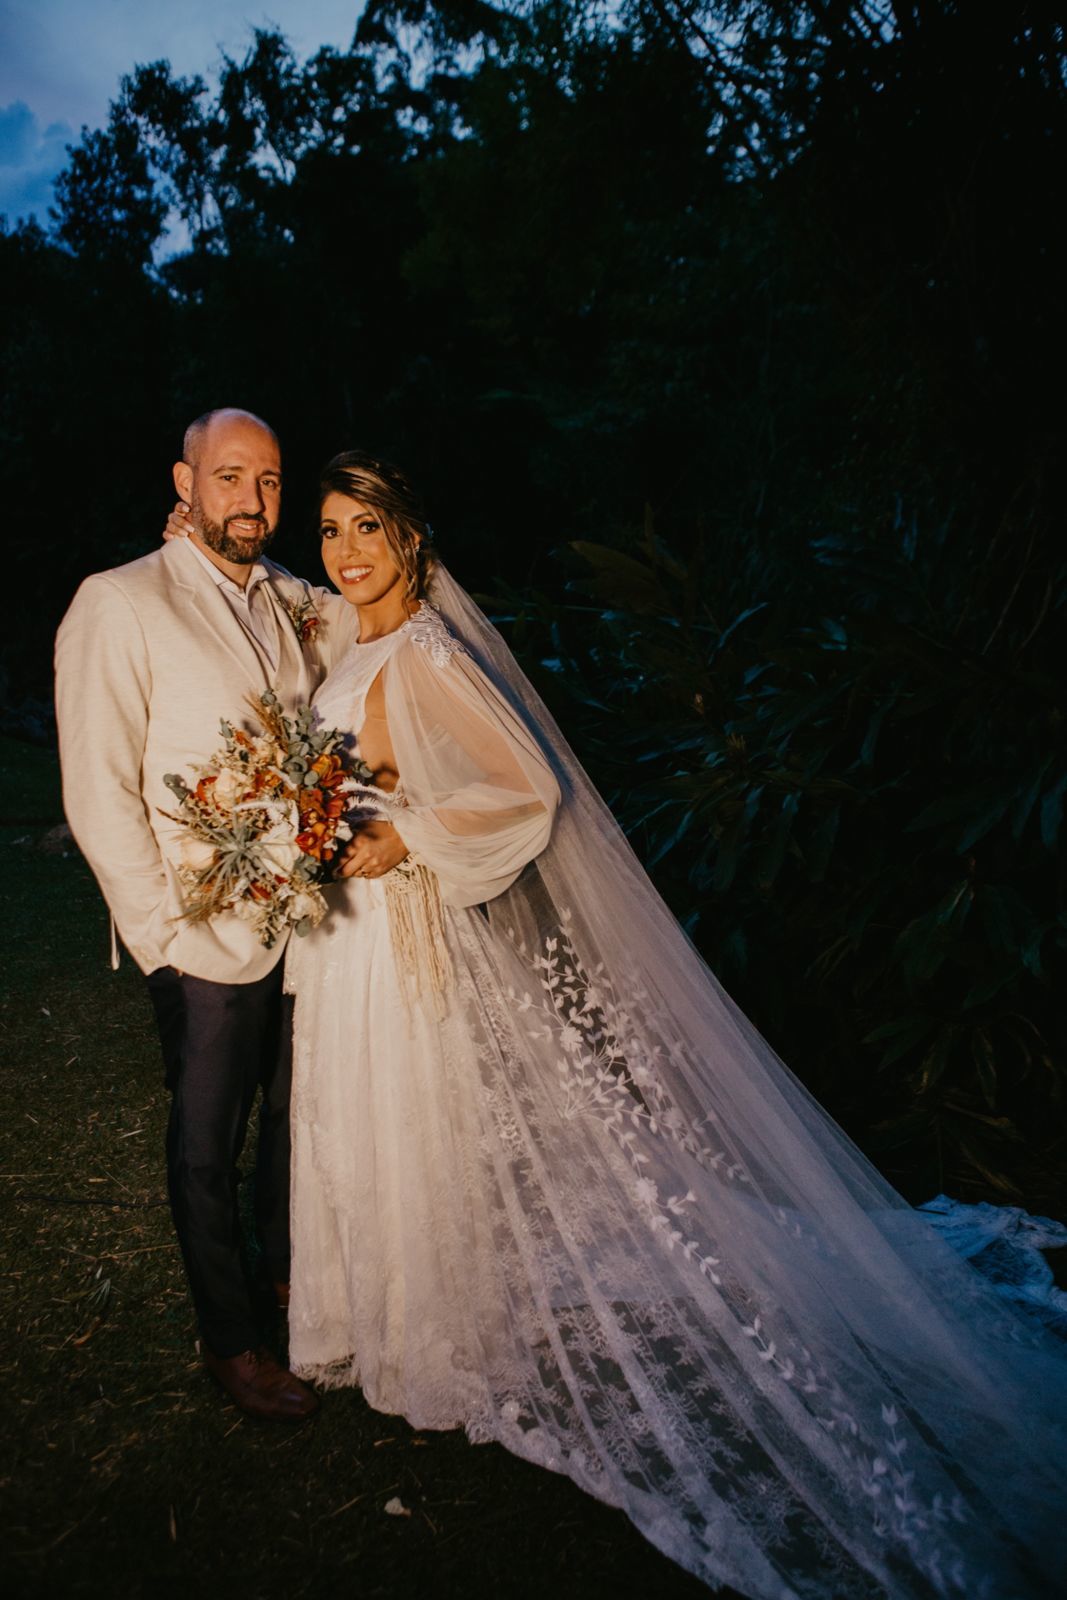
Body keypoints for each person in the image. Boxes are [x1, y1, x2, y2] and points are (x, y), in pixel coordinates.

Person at [168, 451, 1067, 1598]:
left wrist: (406, 838)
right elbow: (297, 640)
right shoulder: (354, 637)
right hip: (349, 948)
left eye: (368, 530)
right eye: (333, 529)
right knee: (362, 1115)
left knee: (403, 1111)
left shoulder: (430, 651)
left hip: (401, 936)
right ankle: (379, 1311)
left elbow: (526, 791)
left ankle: (434, 1325)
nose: (344, 550)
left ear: (413, 543)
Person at [54, 408, 359, 1421]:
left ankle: (281, 1279)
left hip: (295, 918)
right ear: (183, 482)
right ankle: (230, 1341)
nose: (252, 500)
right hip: (197, 932)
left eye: (270, 482)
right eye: (229, 476)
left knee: (286, 1116)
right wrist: (162, 938)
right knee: (204, 1142)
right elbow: (98, 790)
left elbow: (362, 611)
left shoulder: (284, 599)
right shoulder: (118, 601)